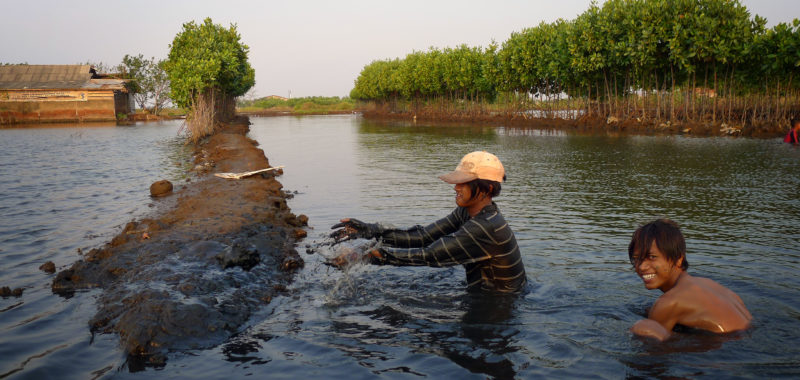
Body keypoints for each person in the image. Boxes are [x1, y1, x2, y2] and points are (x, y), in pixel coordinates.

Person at [330, 151, 527, 293]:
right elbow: (423, 236)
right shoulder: (467, 213)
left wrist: (370, 256)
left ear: (488, 189)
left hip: (499, 309)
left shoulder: (486, 226)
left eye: (464, 183)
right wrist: (370, 231)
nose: (456, 187)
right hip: (483, 297)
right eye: (457, 181)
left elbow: (430, 255)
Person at [628, 219, 752, 341]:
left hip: (727, 351)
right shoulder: (709, 284)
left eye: (652, 257)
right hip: (748, 333)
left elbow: (656, 355)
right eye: (637, 258)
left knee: (643, 328)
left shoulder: (668, 303)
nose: (642, 266)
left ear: (678, 259)